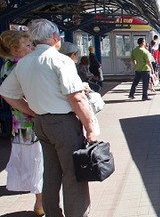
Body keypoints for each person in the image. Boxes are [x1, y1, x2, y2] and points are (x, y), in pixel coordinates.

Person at [0, 19, 97, 217]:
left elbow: (7, 92)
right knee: (73, 174)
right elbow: (76, 98)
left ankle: (53, 213)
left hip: (41, 124)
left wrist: (32, 111)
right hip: (63, 124)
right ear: (54, 37)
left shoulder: (24, 63)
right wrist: (90, 127)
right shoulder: (61, 60)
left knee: (51, 172)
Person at [0, 29, 44, 216]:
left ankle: (40, 202)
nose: (32, 47)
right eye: (27, 45)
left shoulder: (6, 66)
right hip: (31, 124)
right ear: (15, 50)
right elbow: (15, 95)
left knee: (32, 163)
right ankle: (41, 204)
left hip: (19, 126)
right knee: (39, 164)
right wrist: (35, 112)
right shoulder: (21, 66)